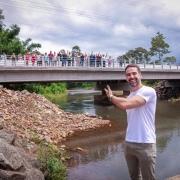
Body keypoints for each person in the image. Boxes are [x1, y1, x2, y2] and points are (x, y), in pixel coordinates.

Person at [104, 64, 157, 180]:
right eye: (128, 75)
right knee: (134, 177)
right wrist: (112, 98)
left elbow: (125, 104)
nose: (131, 77)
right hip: (129, 143)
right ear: (126, 78)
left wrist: (111, 96)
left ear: (140, 75)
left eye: (134, 73)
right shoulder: (130, 96)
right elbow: (124, 103)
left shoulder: (149, 91)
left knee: (148, 178)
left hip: (146, 143)